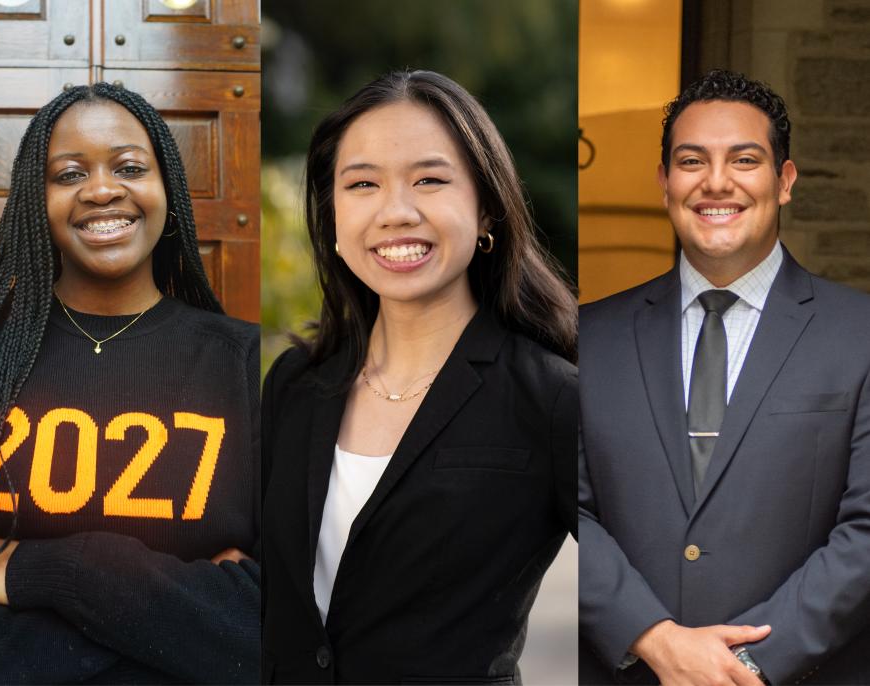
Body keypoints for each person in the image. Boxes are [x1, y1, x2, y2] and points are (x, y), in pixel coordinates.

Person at [261, 70, 578, 684]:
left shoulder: (551, 397)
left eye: (429, 180)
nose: (395, 212)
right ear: (332, 212)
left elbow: (640, 573)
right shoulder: (294, 384)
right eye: (363, 184)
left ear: (487, 209)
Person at [0, 82, 260, 684]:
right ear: (35, 203)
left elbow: (271, 623)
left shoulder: (245, 364)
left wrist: (63, 572)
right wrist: (183, 610)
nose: (101, 190)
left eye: (130, 167)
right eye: (68, 175)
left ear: (167, 189)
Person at [579, 69, 870, 685]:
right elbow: (559, 510)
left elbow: (866, 532)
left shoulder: (860, 334)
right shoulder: (586, 339)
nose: (716, 182)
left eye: (744, 159)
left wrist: (744, 667)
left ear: (784, 181)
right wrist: (655, 639)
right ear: (664, 182)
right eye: (692, 161)